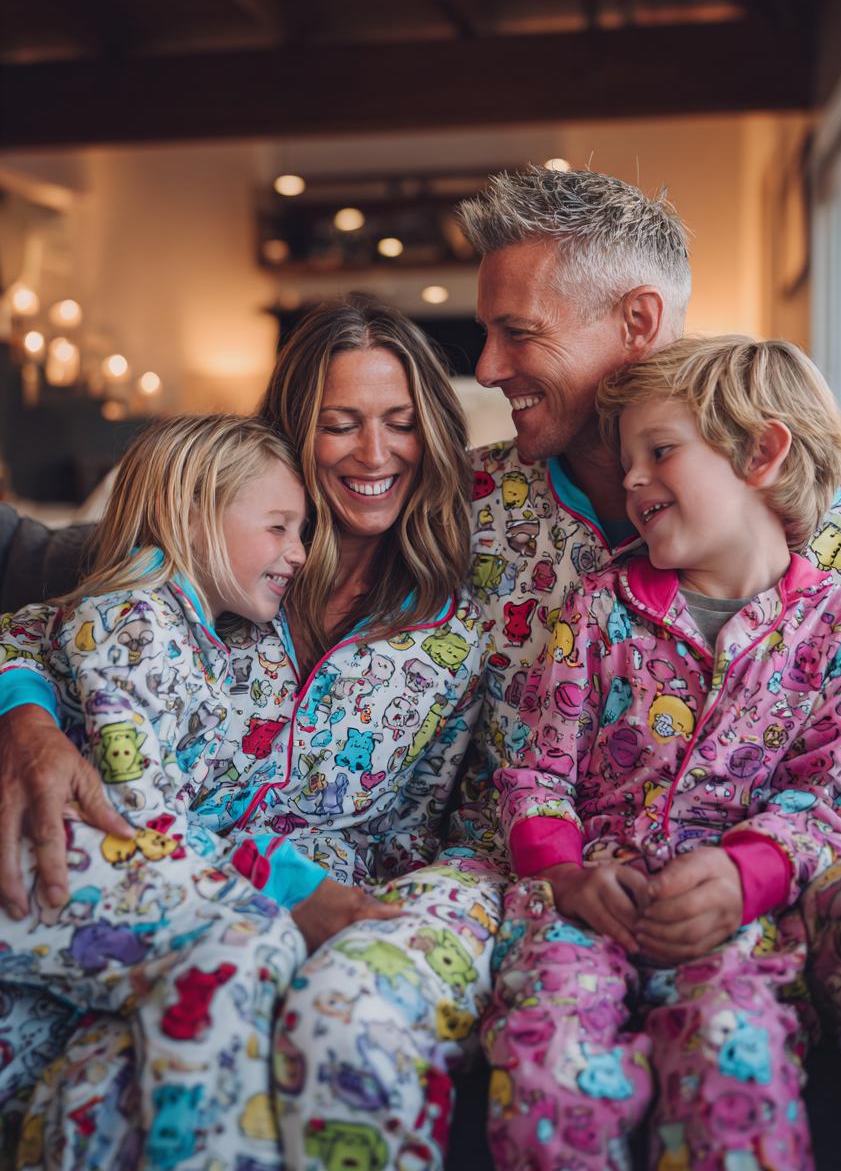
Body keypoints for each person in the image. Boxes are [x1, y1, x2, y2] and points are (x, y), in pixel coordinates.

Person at [2, 170, 841, 1168]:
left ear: (638, 320)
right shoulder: (455, 508)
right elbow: (100, 599)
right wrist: (25, 716)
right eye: (484, 332)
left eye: (518, 331)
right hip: (514, 882)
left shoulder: (818, 528)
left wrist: (786, 859)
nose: (489, 366)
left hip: (726, 896)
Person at [0, 300, 490, 1169]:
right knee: (101, 1090)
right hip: (169, 880)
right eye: (340, 425)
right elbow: (44, 625)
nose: (373, 455)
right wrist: (29, 723)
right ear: (295, 435)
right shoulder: (209, 555)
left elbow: (418, 825)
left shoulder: (455, 632)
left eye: (401, 423)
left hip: (293, 913)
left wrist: (357, 913)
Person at [484, 335, 841, 1169]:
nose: (631, 478)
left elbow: (833, 797)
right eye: (626, 457)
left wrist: (749, 877)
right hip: (584, 901)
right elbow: (536, 770)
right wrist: (563, 871)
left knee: (731, 1055)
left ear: (762, 452)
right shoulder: (598, 608)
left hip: (736, 917)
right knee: (545, 1060)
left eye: (660, 451)